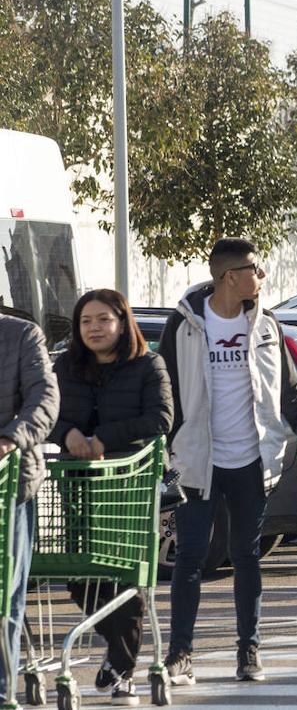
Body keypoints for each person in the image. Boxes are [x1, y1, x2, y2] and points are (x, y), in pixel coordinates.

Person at [160, 238, 297, 684]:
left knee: (246, 556)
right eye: (255, 268)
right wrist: (165, 446)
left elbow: (288, 388)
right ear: (230, 276)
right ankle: (180, 654)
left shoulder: (267, 325)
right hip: (198, 462)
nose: (262, 276)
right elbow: (166, 390)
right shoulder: (186, 325)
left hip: (252, 461)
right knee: (191, 558)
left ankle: (249, 650)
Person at [51, 290, 173, 705]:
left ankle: (123, 665)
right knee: (80, 575)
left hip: (128, 484)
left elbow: (160, 418)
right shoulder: (65, 366)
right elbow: (47, 412)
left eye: (103, 320)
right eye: (86, 321)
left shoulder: (147, 364)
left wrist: (104, 438)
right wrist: (67, 434)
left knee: (125, 574)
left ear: (122, 322)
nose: (94, 329)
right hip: (80, 484)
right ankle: (120, 653)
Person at [0, 313, 58, 704]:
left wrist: (9, 439)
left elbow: (44, 398)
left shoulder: (21, 336)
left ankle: (2, 687)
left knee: (6, 592)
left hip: (9, 484)